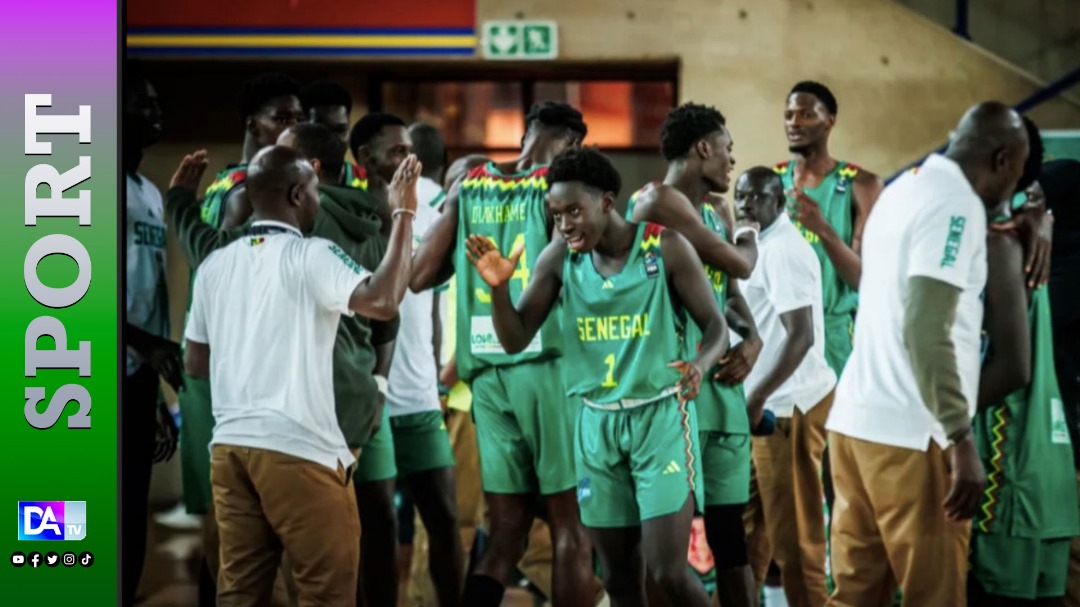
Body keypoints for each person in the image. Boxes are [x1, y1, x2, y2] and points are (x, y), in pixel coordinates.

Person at [466, 147, 727, 607]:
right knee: (619, 578)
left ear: (607, 202)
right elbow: (514, 339)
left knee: (667, 571)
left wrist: (700, 366)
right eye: (556, 214)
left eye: (573, 211)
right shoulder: (559, 259)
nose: (564, 224)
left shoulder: (664, 247)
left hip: (660, 420)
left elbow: (717, 328)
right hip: (596, 426)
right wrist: (499, 291)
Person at [166, 122, 399, 605]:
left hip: (231, 451)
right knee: (326, 593)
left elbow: (195, 361)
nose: (319, 199)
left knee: (241, 593)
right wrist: (407, 215)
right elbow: (383, 301)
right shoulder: (311, 254)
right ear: (297, 194)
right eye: (315, 191)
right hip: (301, 450)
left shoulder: (215, 264)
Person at [824, 101, 1030, 607]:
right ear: (1002, 160)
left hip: (854, 425)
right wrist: (959, 436)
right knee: (933, 595)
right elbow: (924, 326)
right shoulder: (954, 205)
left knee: (855, 594)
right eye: (1018, 174)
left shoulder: (902, 190)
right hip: (912, 437)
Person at [410, 102, 594, 607]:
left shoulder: (467, 187)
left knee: (506, 532)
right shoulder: (560, 192)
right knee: (569, 529)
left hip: (487, 381)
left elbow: (419, 275)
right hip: (547, 368)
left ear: (524, 137)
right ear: (572, 144)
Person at [174, 74, 304, 602]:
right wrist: (179, 201)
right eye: (283, 117)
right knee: (240, 518)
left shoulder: (226, 183)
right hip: (230, 372)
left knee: (232, 515)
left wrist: (182, 200)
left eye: (299, 119)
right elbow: (217, 267)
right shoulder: (247, 190)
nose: (293, 127)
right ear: (253, 123)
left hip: (220, 366)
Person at [626, 102, 761, 607]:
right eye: (728, 149)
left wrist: (750, 336)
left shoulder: (710, 209)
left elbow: (727, 293)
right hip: (672, 398)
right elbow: (739, 264)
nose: (732, 160)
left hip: (719, 393)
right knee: (663, 556)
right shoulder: (657, 201)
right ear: (703, 148)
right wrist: (748, 231)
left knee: (730, 543)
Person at [969, 123, 1080, 607]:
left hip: (1015, 464)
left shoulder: (1026, 271)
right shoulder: (1039, 264)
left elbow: (1012, 367)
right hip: (1054, 470)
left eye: (1032, 199)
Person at [734, 167, 838, 607]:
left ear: (777, 202)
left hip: (786, 407)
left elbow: (801, 336)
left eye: (756, 198)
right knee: (752, 530)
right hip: (762, 406)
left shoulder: (783, 251)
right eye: (740, 197)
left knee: (795, 539)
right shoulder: (758, 245)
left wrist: (756, 400)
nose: (745, 206)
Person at [384, 121, 463, 607]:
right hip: (390, 399)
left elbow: (434, 305)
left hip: (422, 393)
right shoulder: (366, 213)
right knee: (386, 524)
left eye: (408, 150)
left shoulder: (437, 215)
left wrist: (440, 378)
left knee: (441, 517)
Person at [122, 64, 183, 607]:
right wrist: (147, 343)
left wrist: (157, 390)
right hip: (70, 381)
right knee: (62, 526)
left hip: (138, 380)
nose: (156, 112)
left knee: (128, 518)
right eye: (144, 102)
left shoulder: (149, 192)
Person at [774, 80, 884, 376]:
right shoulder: (770, 183)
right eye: (789, 114)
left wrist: (822, 229)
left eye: (806, 114)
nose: (794, 122)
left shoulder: (861, 185)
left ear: (829, 121)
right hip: (777, 335)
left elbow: (866, 280)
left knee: (834, 423)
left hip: (834, 339)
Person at [1039, 159, 1080, 607]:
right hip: (1062, 423)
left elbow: (1039, 319)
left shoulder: (1071, 260)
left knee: (1071, 552)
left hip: (1069, 429)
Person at [300, 80, 369, 191]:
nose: (332, 139)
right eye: (321, 130)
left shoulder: (367, 182)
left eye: (341, 130)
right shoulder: (289, 182)